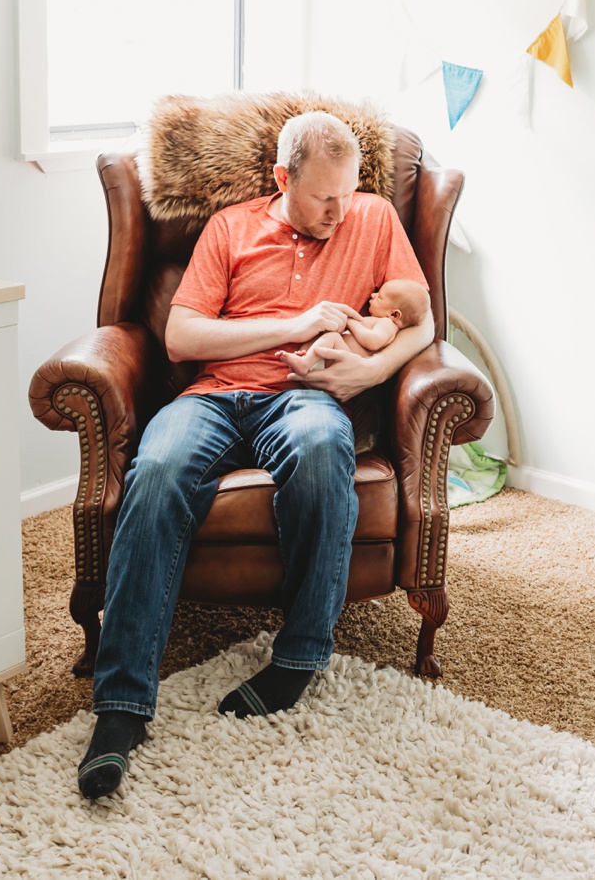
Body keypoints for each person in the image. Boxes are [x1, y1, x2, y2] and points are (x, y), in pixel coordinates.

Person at [77, 111, 434, 800]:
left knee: (324, 446)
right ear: (282, 178)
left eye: (351, 190)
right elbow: (181, 337)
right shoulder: (232, 226)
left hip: (304, 397)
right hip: (213, 396)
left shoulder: (375, 218)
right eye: (323, 196)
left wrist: (370, 372)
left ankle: (298, 657)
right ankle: (120, 709)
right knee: (153, 473)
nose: (341, 209)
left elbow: (425, 324)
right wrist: (297, 324)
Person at [275, 279, 430, 377]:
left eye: (380, 297)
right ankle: (305, 358)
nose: (373, 295)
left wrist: (351, 322)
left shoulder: (387, 325)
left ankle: (304, 363)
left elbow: (373, 342)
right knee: (325, 337)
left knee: (333, 338)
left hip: (344, 361)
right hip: (334, 357)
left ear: (394, 315)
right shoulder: (381, 320)